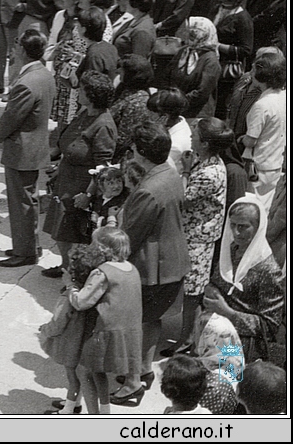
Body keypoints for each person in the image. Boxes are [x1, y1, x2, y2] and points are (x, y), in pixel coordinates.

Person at [113, 121, 189, 406]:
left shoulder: (148, 189)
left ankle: (132, 384)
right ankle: (144, 369)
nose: (131, 152)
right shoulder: (170, 174)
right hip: (172, 264)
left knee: (132, 325)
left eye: (133, 148)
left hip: (151, 269)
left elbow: (129, 235)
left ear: (142, 153)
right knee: (150, 320)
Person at [167, 118, 231, 356]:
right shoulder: (208, 161)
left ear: (204, 144)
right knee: (189, 293)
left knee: (192, 294)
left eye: (195, 135)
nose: (191, 137)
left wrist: (184, 170)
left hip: (197, 241)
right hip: (194, 236)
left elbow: (182, 199)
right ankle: (188, 338)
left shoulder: (209, 173)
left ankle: (188, 342)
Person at [44, 71, 117, 277]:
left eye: (82, 90)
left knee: (73, 236)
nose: (78, 92)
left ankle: (76, 275)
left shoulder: (103, 125)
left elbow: (103, 167)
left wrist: (88, 195)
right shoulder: (85, 114)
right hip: (66, 183)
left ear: (92, 95)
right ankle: (66, 266)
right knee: (61, 233)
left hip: (82, 189)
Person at [0, 29, 56, 267]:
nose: (14, 46)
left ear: (22, 49)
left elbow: (12, 117)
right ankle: (28, 246)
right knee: (27, 201)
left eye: (17, 43)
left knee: (21, 203)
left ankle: (26, 252)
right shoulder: (42, 73)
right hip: (34, 147)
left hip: (22, 150)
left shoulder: (27, 82)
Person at [70, 228, 142, 415]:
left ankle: (95, 416)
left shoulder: (101, 273)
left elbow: (81, 302)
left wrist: (71, 288)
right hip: (127, 332)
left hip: (104, 332)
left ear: (102, 249)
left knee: (83, 370)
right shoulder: (131, 268)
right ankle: (104, 411)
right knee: (98, 372)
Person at [39, 245, 108, 415]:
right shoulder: (94, 293)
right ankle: (74, 403)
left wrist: (45, 330)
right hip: (86, 343)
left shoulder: (68, 297)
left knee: (73, 379)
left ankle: (68, 410)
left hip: (70, 344)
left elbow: (58, 323)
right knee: (83, 378)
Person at [241, 52, 286, 205]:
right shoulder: (285, 97)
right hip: (275, 162)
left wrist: (242, 138)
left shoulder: (262, 105)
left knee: (253, 207)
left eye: (253, 70)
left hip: (258, 167)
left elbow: (251, 140)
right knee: (265, 208)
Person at [212, 0, 253, 120]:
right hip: (212, 67)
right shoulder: (217, 9)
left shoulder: (242, 18)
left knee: (221, 110)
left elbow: (246, 50)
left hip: (226, 74)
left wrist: (217, 45)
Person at [168, 16, 221, 120]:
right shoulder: (183, 51)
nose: (187, 35)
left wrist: (178, 101)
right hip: (176, 108)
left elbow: (202, 92)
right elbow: (168, 73)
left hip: (195, 114)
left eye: (192, 33)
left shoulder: (210, 60)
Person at [109, 54, 156, 160]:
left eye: (122, 69)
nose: (118, 71)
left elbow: (124, 138)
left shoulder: (138, 102)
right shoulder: (124, 89)